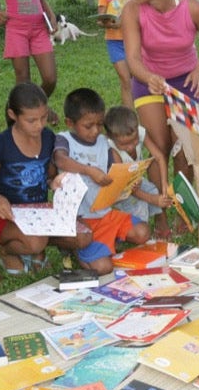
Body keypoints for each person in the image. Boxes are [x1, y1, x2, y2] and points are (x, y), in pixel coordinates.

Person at [120, 0, 199, 182]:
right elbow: (133, 60)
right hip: (148, 83)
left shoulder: (193, 8)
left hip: (183, 83)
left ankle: (184, 215)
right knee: (159, 146)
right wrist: (149, 77)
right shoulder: (131, 10)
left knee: (185, 148)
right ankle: (161, 210)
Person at [0, 83, 91, 276]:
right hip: (7, 216)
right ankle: (8, 251)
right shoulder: (0, 145)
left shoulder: (48, 138)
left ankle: (36, 248)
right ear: (12, 115)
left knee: (83, 236)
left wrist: (55, 182)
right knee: (36, 242)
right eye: (31, 120)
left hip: (40, 214)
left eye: (44, 118)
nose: (40, 125)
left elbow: (49, 177)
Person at [54, 88, 153, 274]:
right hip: (83, 219)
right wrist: (89, 170)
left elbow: (115, 172)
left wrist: (128, 182)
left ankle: (109, 240)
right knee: (104, 268)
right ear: (70, 123)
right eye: (88, 126)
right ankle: (76, 247)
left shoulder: (103, 142)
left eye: (99, 124)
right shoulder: (64, 139)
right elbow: (60, 159)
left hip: (106, 214)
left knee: (143, 232)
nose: (95, 131)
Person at [103, 105, 173, 229]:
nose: (130, 147)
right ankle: (134, 232)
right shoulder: (112, 151)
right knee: (140, 206)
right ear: (111, 138)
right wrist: (153, 200)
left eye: (134, 140)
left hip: (135, 180)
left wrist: (164, 184)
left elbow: (159, 157)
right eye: (124, 144)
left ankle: (159, 222)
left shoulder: (139, 132)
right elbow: (127, 187)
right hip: (120, 191)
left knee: (152, 189)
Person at [97, 0, 135, 106]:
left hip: (134, 39)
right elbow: (100, 19)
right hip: (115, 41)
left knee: (136, 79)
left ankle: (141, 110)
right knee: (126, 80)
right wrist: (110, 23)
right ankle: (129, 117)